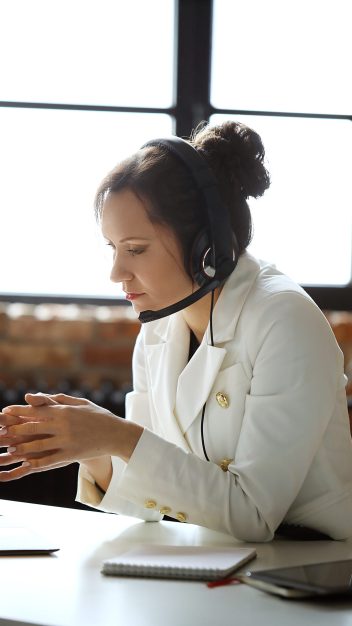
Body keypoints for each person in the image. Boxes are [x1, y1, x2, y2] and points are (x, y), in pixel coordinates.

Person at [0, 121, 351, 542]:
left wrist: (117, 435)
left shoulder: (285, 319)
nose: (116, 273)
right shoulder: (161, 323)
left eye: (136, 249)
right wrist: (93, 448)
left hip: (310, 568)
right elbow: (145, 505)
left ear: (206, 245)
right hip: (216, 561)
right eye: (113, 249)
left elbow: (253, 515)